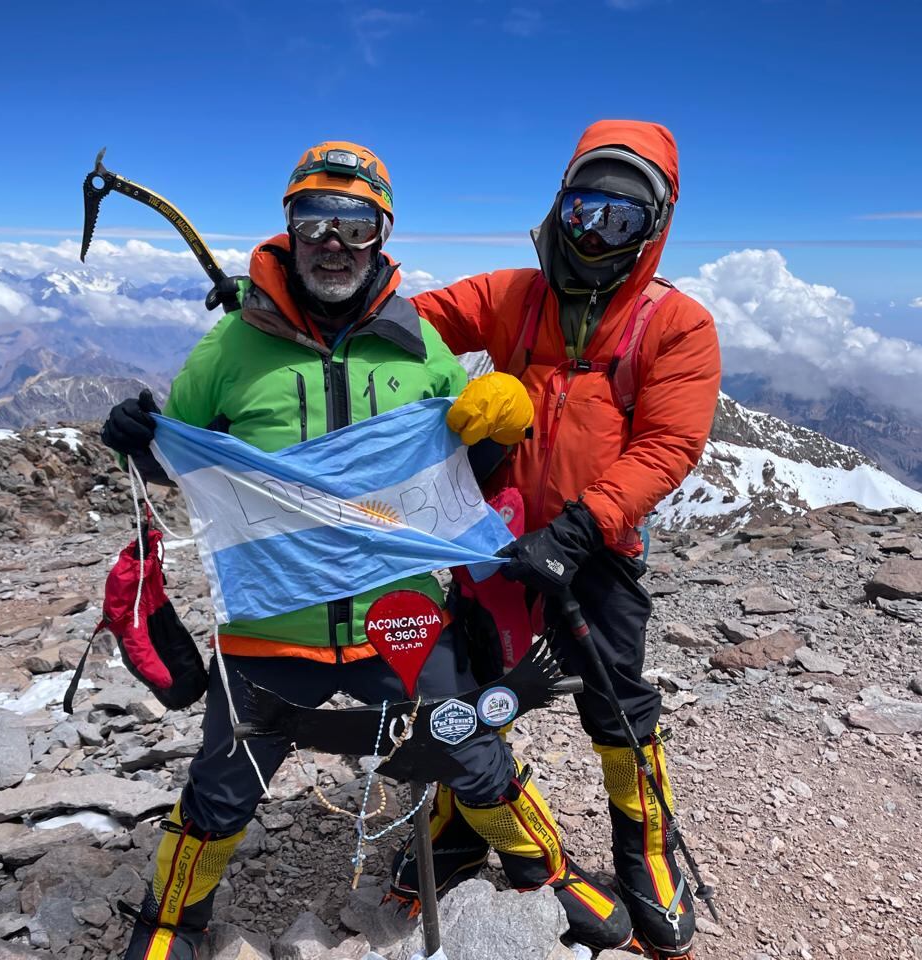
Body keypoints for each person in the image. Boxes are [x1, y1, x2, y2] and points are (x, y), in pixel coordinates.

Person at [100, 141, 637, 960]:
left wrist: (497, 427)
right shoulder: (227, 351)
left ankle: (546, 873)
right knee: (223, 785)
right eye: (314, 218)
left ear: (382, 231)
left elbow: (460, 478)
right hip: (275, 620)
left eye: (355, 221)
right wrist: (140, 441)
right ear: (289, 227)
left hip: (405, 617)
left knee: (473, 751)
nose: (333, 241)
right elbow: (186, 473)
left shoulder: (421, 347)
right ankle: (172, 919)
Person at [398, 120, 722, 959]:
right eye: (582, 209)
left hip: (596, 546)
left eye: (617, 219)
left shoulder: (675, 325)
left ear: (651, 229)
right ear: (558, 204)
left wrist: (582, 526)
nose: (590, 234)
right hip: (497, 534)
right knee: (471, 684)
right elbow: (405, 325)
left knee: (615, 698)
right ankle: (467, 818)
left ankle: (643, 851)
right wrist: (302, 309)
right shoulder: (514, 296)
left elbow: (668, 445)